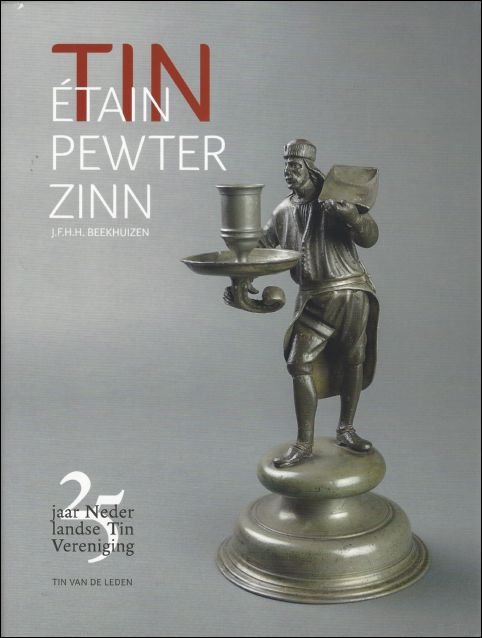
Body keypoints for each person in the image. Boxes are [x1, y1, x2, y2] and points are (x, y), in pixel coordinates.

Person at [260, 139, 379, 467]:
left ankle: (346, 429)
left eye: (294, 165)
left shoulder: (334, 200)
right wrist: (239, 277)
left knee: (353, 357)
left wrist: (353, 217)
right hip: (313, 298)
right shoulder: (282, 211)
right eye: (286, 165)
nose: (288, 172)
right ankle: (304, 444)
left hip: (350, 290)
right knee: (298, 363)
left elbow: (369, 236)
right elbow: (260, 248)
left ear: (309, 168)